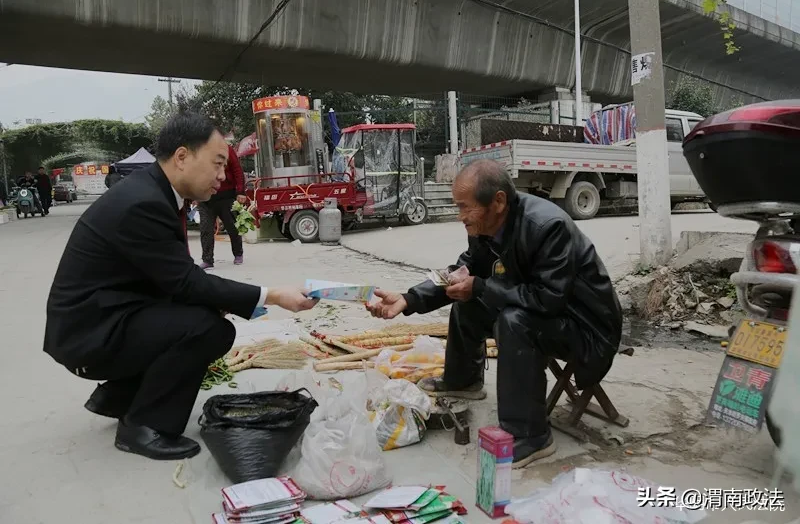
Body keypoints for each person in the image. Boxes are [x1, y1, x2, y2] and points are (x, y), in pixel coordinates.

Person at [43, 111, 318, 461]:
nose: (222, 176)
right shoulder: (143, 203)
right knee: (206, 329)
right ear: (183, 156)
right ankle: (143, 425)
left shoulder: (152, 192)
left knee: (202, 312)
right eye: (218, 163)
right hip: (89, 336)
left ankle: (118, 397)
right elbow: (186, 282)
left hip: (104, 319)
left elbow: (174, 278)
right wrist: (273, 295)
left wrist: (214, 299)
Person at [366, 160, 623, 468]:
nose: (461, 217)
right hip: (546, 312)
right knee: (471, 298)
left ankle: (531, 436)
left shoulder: (547, 226)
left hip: (586, 327)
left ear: (498, 201)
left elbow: (548, 299)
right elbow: (462, 273)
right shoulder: (485, 226)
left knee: (511, 319)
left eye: (465, 207)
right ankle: (463, 380)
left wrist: (481, 288)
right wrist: (407, 299)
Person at [198, 142, 246, 269]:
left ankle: (238, 253)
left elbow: (237, 170)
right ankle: (207, 259)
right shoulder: (198, 149)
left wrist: (240, 191)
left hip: (226, 196)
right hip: (205, 197)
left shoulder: (226, 149)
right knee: (205, 229)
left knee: (232, 227)